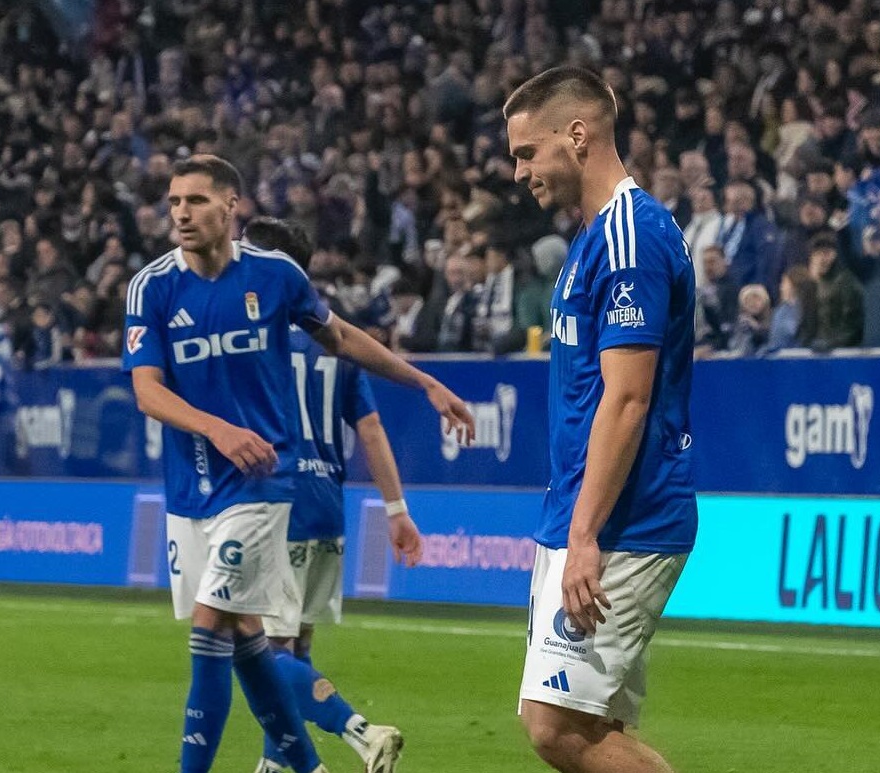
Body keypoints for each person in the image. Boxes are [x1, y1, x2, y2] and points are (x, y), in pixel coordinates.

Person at [123, 155, 474, 773]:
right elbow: (147, 392)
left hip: (263, 482)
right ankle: (311, 767)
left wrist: (424, 382)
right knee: (248, 642)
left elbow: (341, 337)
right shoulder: (151, 287)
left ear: (231, 205)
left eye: (196, 200)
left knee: (210, 626)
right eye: (174, 201)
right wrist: (217, 429)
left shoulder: (275, 275)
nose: (181, 213)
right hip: (190, 490)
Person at [504, 67, 698, 773]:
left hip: (623, 521)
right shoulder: (594, 239)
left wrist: (584, 534)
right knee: (589, 722)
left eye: (527, 152)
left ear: (578, 136)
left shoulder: (628, 237)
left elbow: (627, 398)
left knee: (556, 728)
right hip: (584, 513)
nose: (518, 171)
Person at [243, 217, 422, 773]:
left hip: (276, 504)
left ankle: (363, 733)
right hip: (325, 507)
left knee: (258, 653)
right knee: (294, 650)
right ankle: (276, 766)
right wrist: (396, 509)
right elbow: (370, 427)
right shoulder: (333, 337)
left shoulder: (253, 331)